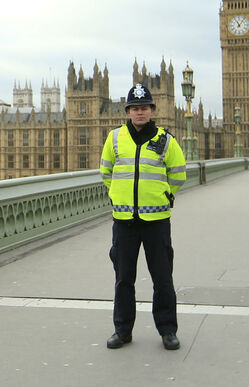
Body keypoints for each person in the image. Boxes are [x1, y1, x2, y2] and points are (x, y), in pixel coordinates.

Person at [100, 83, 186, 351]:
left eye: (144, 108)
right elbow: (106, 172)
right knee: (124, 278)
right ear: (128, 111)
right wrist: (117, 195)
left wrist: (164, 196)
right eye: (135, 108)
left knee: (162, 277)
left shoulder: (166, 140)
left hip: (156, 220)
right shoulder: (114, 138)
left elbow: (179, 174)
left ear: (152, 110)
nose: (139, 112)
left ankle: (167, 330)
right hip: (124, 220)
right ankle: (122, 330)